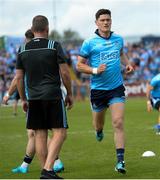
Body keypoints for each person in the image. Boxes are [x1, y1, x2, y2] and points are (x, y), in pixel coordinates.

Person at [77, 9, 134, 174]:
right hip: (98, 90)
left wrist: (127, 64)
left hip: (116, 88)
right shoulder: (89, 42)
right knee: (98, 124)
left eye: (108, 19)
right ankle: (99, 131)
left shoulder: (118, 39)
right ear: (96, 23)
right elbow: (79, 65)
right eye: (102, 20)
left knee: (118, 122)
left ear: (111, 21)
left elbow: (121, 54)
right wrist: (95, 70)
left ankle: (120, 162)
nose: (106, 22)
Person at [16, 15, 73, 179]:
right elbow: (65, 73)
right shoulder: (54, 45)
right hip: (52, 95)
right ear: (47, 29)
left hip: (33, 98)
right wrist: (69, 93)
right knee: (60, 132)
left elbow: (19, 78)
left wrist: (24, 99)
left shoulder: (23, 49)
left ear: (33, 30)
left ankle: (46, 172)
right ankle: (48, 169)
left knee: (40, 134)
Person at [3, 29, 65, 174]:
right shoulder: (40, 52)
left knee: (37, 133)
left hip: (34, 99)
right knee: (36, 133)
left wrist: (8, 94)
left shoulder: (26, 53)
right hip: (42, 97)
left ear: (28, 39)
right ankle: (30, 165)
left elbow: (17, 78)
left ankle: (53, 162)